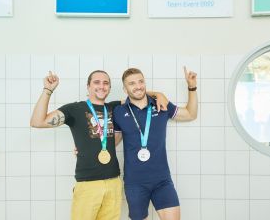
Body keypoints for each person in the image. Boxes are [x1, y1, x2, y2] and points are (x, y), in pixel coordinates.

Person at [30, 70, 167, 220]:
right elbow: (37, 122)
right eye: (96, 82)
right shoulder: (74, 109)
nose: (101, 86)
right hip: (87, 184)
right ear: (88, 86)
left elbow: (137, 94)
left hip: (113, 183)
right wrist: (48, 90)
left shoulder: (115, 108)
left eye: (105, 83)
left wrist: (159, 95)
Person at [113, 67, 198, 220]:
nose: (138, 86)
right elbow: (114, 142)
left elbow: (190, 114)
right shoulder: (119, 111)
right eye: (132, 83)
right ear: (125, 89)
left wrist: (192, 87)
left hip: (162, 180)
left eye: (140, 81)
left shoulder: (161, 104)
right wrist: (87, 150)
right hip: (135, 183)